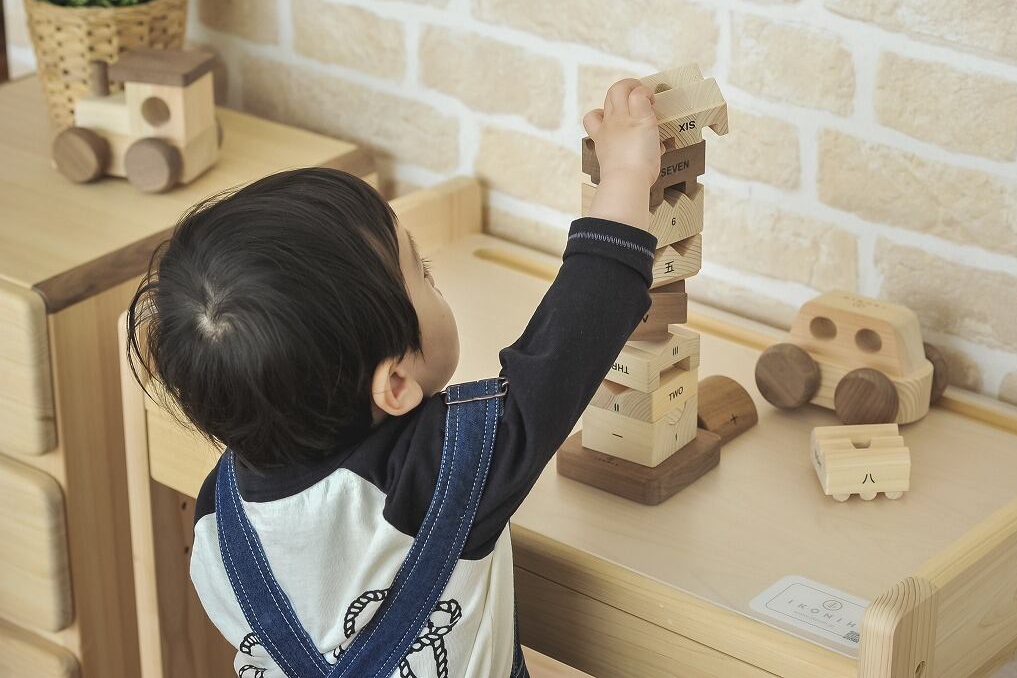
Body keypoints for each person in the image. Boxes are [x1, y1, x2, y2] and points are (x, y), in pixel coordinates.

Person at [127, 79, 662, 677]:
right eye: (423, 272)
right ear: (397, 384)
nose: (435, 280)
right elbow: (564, 355)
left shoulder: (216, 527)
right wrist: (626, 175)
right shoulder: (438, 477)